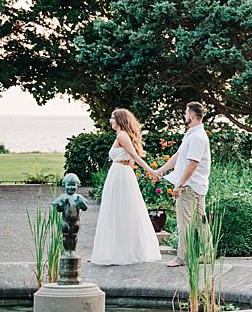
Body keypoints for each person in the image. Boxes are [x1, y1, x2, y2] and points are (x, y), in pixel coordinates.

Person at [90, 108, 162, 265]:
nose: (110, 121)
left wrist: (151, 171)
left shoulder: (122, 136)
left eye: (112, 118)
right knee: (120, 210)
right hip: (120, 174)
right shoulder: (122, 135)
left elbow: (135, 157)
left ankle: (121, 253)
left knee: (120, 210)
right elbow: (131, 158)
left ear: (120, 120)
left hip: (120, 175)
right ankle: (117, 251)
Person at [153, 101, 211, 267]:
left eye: (186, 113)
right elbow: (179, 156)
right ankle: (207, 255)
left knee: (184, 223)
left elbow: (192, 163)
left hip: (190, 187)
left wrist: (180, 184)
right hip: (195, 186)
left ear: (192, 115)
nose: (185, 116)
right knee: (201, 222)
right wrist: (161, 171)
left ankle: (182, 258)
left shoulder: (198, 137)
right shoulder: (192, 134)